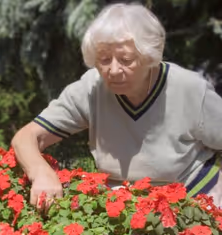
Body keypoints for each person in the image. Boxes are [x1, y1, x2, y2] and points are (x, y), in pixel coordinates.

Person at [11, 2, 222, 210]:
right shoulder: (91, 88)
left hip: (196, 202)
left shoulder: (189, 89)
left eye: (125, 59)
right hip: (124, 209)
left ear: (149, 57)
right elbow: (27, 137)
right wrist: (40, 172)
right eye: (104, 59)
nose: (113, 70)